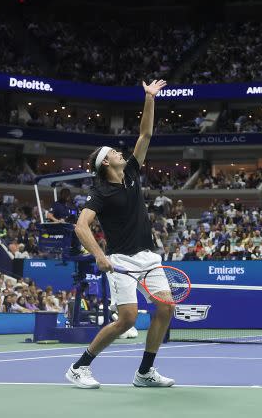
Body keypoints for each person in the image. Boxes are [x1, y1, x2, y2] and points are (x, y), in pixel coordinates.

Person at [65, 79, 176, 390]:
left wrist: (149, 97)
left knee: (166, 308)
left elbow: (146, 133)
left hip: (149, 256)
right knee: (127, 319)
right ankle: (79, 367)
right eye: (113, 151)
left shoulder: (130, 172)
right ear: (105, 163)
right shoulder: (100, 192)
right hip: (122, 260)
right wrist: (99, 255)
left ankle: (144, 373)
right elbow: (81, 225)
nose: (119, 152)